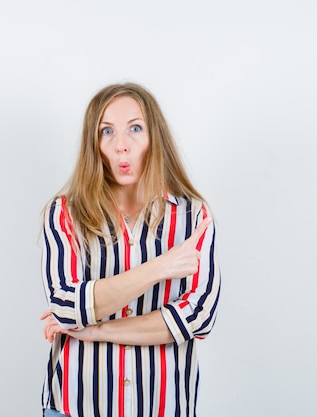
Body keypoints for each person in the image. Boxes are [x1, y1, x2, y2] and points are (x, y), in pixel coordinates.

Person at [39, 83, 221, 417]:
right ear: (94, 145)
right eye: (107, 131)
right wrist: (160, 267)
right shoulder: (65, 212)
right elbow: (65, 304)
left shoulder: (194, 217)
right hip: (76, 407)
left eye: (135, 129)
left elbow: (198, 317)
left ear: (156, 137)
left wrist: (94, 329)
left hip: (163, 408)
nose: (121, 146)